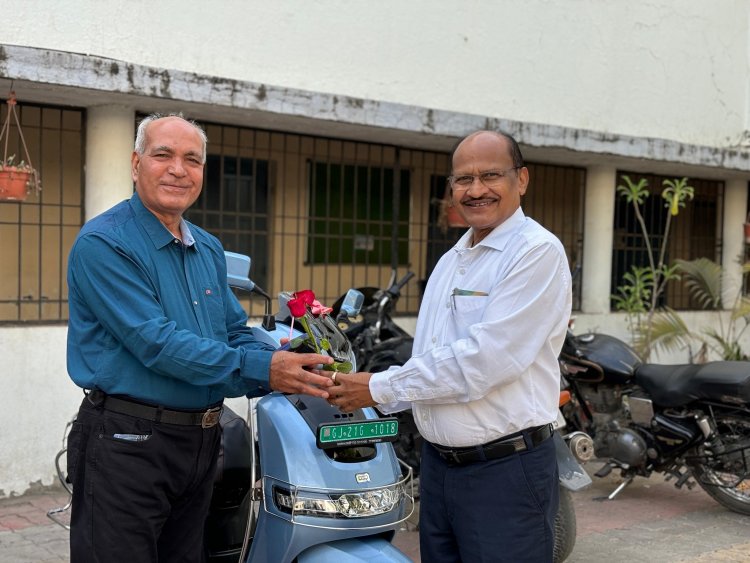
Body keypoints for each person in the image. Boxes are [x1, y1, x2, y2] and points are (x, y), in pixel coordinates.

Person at [65, 114, 334, 563]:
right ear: (136, 164)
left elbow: (231, 330)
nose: (178, 169)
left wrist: (294, 362)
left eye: (192, 159)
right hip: (129, 443)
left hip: (202, 443)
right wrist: (266, 370)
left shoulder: (206, 247)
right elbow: (157, 343)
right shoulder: (105, 244)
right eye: (163, 155)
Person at [329, 130, 572, 562]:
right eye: (462, 180)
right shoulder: (451, 259)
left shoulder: (535, 252)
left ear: (522, 180)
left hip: (504, 472)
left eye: (490, 175)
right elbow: (431, 354)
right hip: (440, 469)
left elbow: (486, 360)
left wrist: (381, 388)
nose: (475, 190)